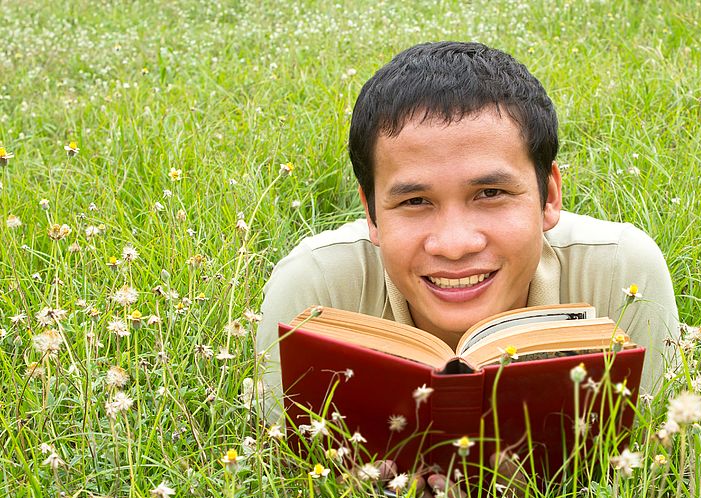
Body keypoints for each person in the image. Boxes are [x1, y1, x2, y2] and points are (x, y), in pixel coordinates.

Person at [255, 41, 679, 453]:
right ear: (372, 215)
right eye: (415, 201)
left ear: (549, 196)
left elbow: (657, 469)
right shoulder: (314, 289)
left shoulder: (621, 273)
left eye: (490, 193)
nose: (455, 245)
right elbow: (281, 479)